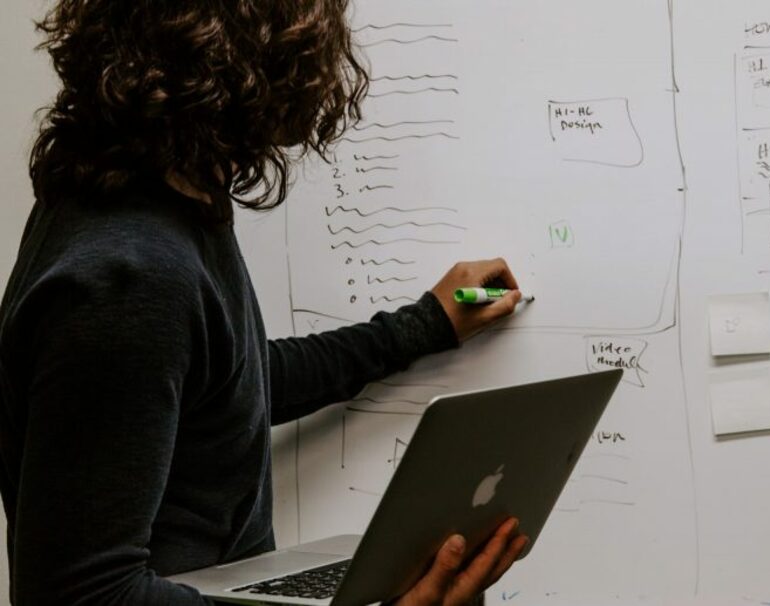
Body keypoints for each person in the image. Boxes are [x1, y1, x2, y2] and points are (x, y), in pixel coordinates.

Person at [0, 0, 529, 603]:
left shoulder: (158, 202)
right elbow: (79, 594)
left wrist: (422, 326)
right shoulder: (128, 276)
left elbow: (225, 389)